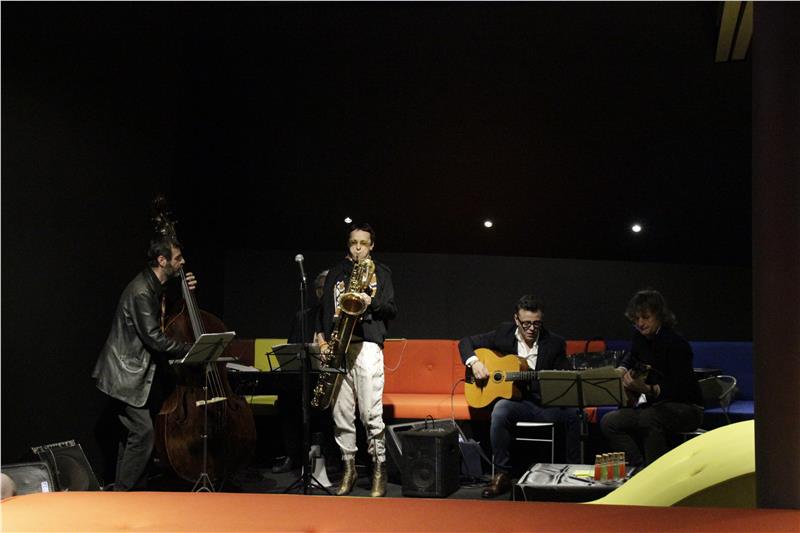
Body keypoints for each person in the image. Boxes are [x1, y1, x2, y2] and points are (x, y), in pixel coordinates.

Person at [92, 235, 196, 491]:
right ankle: (124, 493)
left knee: (132, 437)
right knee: (143, 433)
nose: (182, 262)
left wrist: (187, 293)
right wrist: (191, 350)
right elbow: (154, 339)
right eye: (178, 258)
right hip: (124, 375)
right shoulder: (141, 291)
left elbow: (164, 318)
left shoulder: (154, 286)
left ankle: (128, 492)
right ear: (162, 260)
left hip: (130, 373)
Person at [459, 294, 580, 498]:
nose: (532, 328)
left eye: (537, 323)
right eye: (526, 324)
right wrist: (475, 363)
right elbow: (465, 342)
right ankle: (502, 475)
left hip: (544, 405)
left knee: (573, 415)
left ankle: (573, 476)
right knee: (500, 411)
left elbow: (564, 378)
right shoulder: (503, 333)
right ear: (516, 320)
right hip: (517, 404)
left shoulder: (555, 343)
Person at [315, 223, 397, 497]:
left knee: (370, 413)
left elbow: (391, 309)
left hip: (367, 346)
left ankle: (379, 468)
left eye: (363, 243)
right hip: (339, 346)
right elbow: (323, 311)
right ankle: (348, 469)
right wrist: (323, 341)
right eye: (354, 243)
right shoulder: (336, 273)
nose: (358, 248)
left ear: (371, 245)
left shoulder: (381, 272)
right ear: (348, 245)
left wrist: (370, 301)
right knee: (341, 413)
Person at [600, 289, 703, 467]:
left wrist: (648, 389)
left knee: (649, 417)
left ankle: (655, 472)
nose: (640, 323)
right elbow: (631, 356)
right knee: (609, 421)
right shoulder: (640, 338)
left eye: (646, 317)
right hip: (656, 406)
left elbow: (680, 388)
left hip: (688, 408)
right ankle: (639, 469)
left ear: (659, 316)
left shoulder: (677, 344)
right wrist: (622, 370)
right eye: (636, 319)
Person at [272, 269, 329, 474]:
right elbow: (292, 347)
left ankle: (328, 459)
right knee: (287, 397)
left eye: (327, 287)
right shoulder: (303, 316)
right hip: (307, 374)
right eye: (320, 288)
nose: (323, 292)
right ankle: (292, 455)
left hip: (331, 376)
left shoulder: (341, 316)